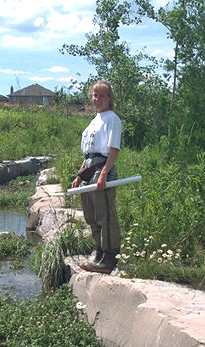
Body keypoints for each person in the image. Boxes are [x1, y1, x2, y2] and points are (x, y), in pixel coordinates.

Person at [71, 80, 122, 273]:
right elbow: (88, 153)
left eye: (101, 95)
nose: (97, 99)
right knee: (91, 215)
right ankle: (98, 253)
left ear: (109, 98)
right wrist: (79, 175)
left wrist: (104, 175)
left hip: (102, 170)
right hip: (89, 171)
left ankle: (109, 259)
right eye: (94, 95)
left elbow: (113, 150)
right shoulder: (94, 121)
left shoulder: (112, 119)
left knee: (105, 216)